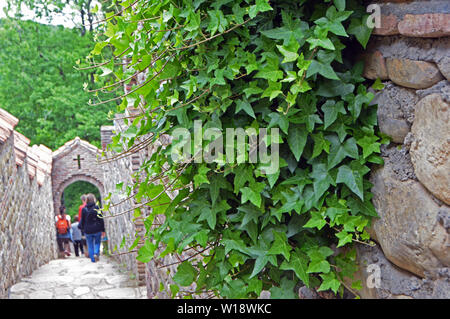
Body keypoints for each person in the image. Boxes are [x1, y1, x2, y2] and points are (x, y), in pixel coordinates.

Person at [78, 193, 105, 263]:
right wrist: (103, 229)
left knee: (90, 244)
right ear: (94, 199)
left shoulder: (84, 209)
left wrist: (82, 228)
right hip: (97, 229)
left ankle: (93, 259)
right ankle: (96, 253)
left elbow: (82, 220)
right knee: (97, 242)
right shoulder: (97, 208)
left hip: (88, 230)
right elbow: (101, 219)